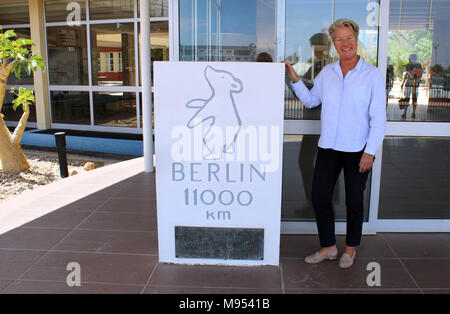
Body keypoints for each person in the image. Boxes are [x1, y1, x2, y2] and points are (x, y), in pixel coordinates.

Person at [283, 19, 386, 269]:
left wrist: (370, 152)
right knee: (319, 197)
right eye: (339, 39)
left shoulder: (371, 75)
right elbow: (309, 101)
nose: (345, 43)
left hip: (358, 149)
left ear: (356, 39)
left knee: (354, 201)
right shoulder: (327, 73)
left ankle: (350, 249)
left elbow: (379, 119)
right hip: (328, 147)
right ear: (334, 44)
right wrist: (294, 78)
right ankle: (328, 246)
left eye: (349, 37)